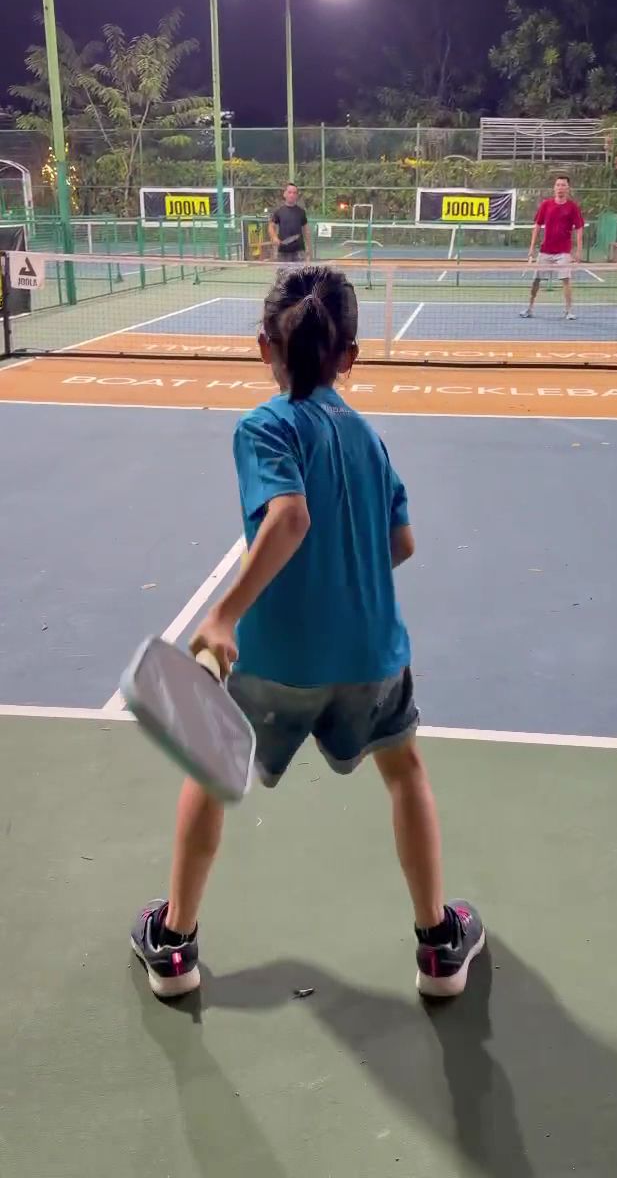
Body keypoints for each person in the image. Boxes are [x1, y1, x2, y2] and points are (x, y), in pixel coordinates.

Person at [131, 264, 485, 1003]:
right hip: (373, 656)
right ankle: (438, 946)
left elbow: (289, 516)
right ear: (349, 356)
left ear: (264, 346)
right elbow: (402, 543)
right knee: (404, 773)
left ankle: (173, 944)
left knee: (210, 771)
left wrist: (225, 613)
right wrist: (346, 577)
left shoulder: (264, 427)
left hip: (275, 659)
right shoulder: (369, 439)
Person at [521, 176, 585, 321]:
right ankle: (529, 308)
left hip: (563, 252)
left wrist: (579, 250)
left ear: (568, 188)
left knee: (566, 280)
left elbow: (579, 228)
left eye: (563, 185)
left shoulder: (573, 207)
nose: (560, 188)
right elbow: (537, 226)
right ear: (554, 188)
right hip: (545, 251)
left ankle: (568, 311)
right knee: (536, 280)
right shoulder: (546, 205)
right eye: (558, 185)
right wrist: (532, 247)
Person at [268, 183, 312, 262]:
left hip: (299, 252)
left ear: (297, 196)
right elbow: (271, 226)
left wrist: (308, 248)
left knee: (300, 271)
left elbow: (306, 230)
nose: (292, 195)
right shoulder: (278, 211)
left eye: (294, 193)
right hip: (283, 251)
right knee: (283, 270)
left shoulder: (301, 212)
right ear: (284, 194)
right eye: (289, 192)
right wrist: (274, 237)